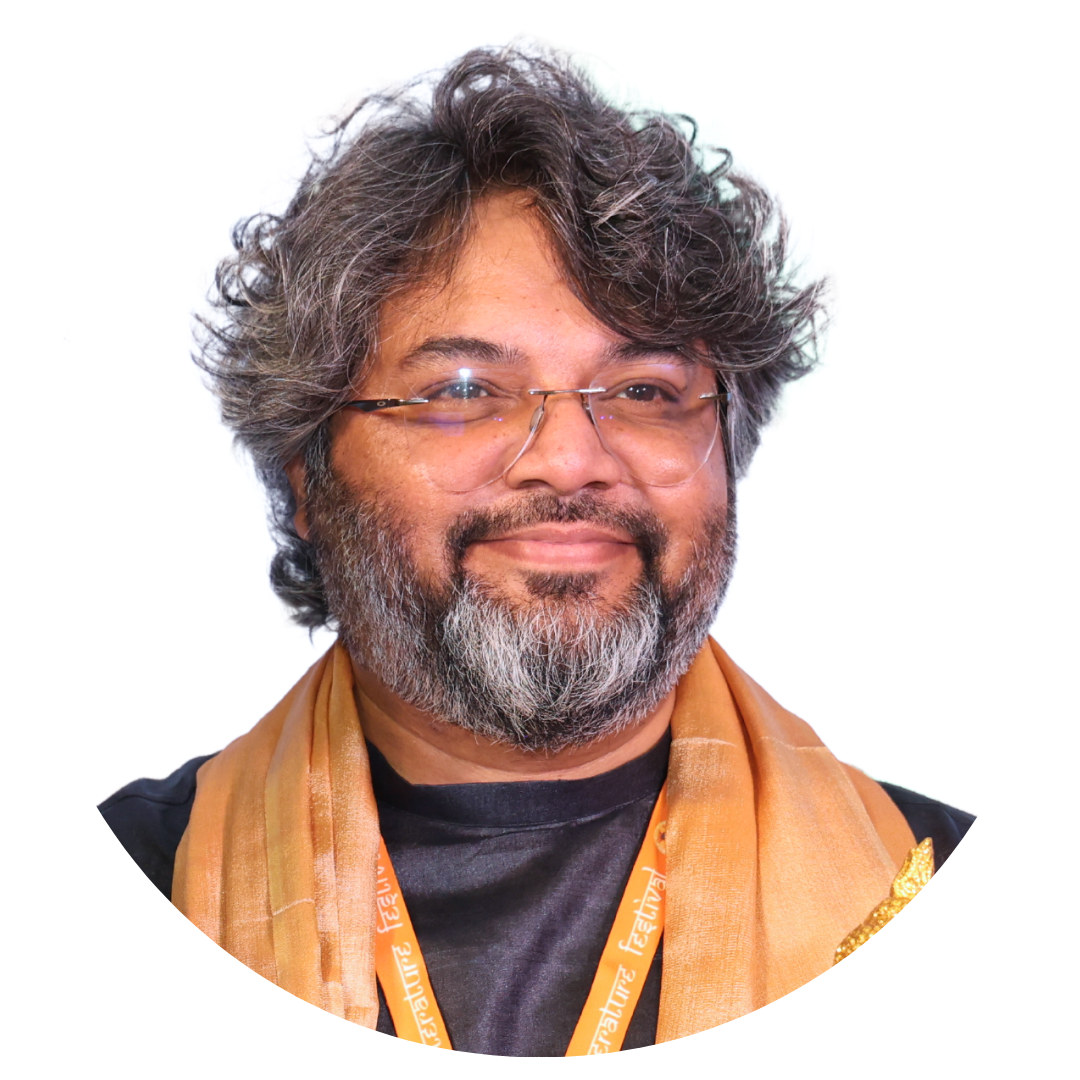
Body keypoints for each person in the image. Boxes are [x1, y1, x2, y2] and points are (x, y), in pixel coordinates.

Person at [99, 48, 974, 1053]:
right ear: (307, 479)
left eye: (643, 390)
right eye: (465, 391)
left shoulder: (909, 876)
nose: (571, 458)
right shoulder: (152, 867)